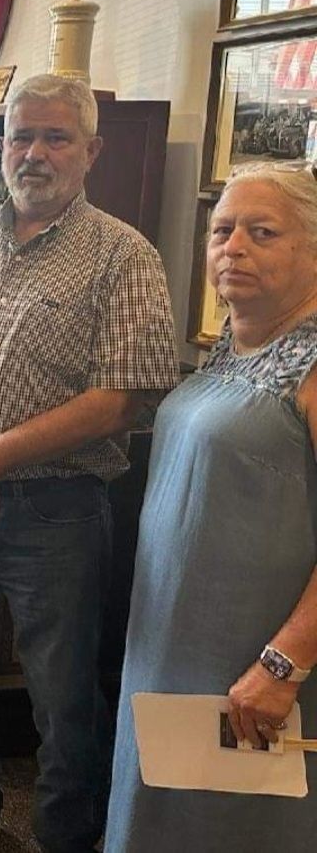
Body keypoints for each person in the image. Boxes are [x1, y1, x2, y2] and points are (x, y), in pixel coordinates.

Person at [0, 75, 179, 853]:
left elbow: (120, 400)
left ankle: (65, 836)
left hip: (57, 512)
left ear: (91, 151)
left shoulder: (123, 255)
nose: (34, 153)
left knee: (63, 694)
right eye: (22, 136)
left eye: (55, 137)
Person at [106, 163, 317, 849]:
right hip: (174, 645)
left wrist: (284, 664)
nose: (234, 247)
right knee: (165, 806)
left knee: (234, 823)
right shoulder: (232, 341)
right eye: (222, 231)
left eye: (263, 232)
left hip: (256, 668)